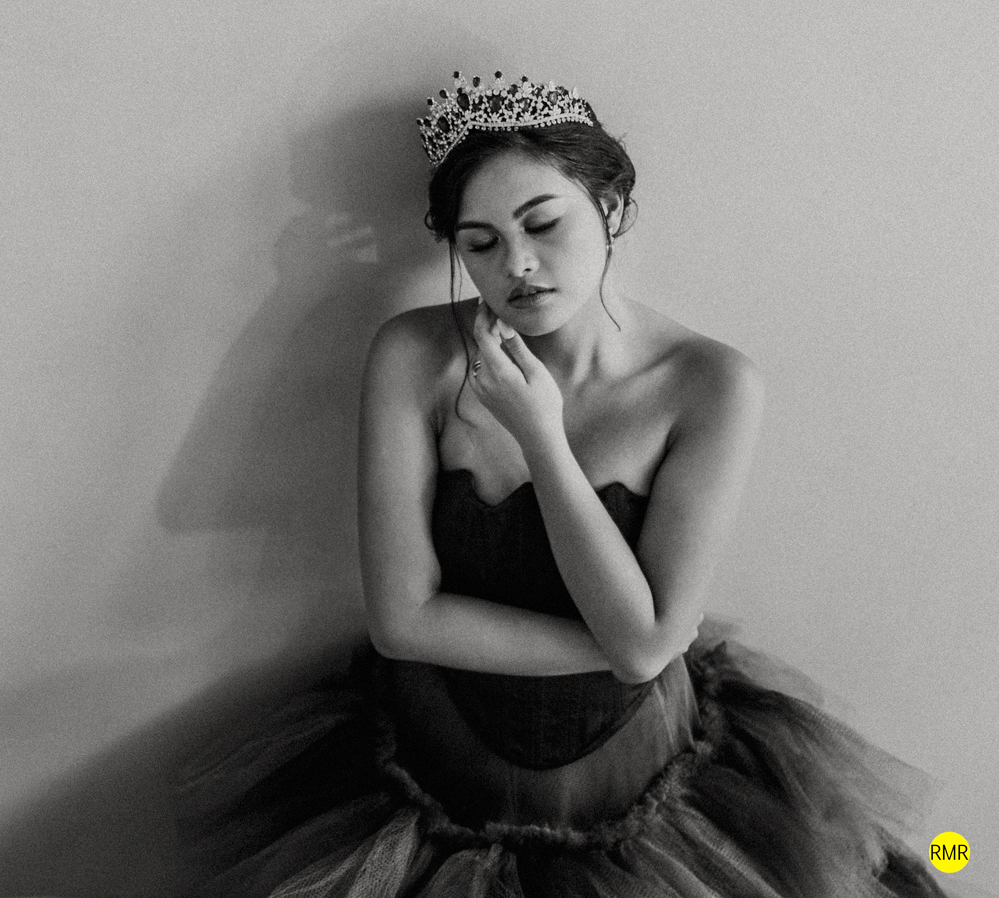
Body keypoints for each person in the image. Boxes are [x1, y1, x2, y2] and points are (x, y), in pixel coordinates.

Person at [174, 73, 943, 897]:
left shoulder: (710, 384)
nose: (518, 265)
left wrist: (540, 436)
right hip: (435, 764)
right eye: (480, 243)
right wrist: (632, 647)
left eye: (543, 224)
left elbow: (646, 645)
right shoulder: (412, 355)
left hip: (635, 777)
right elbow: (403, 621)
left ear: (611, 208)